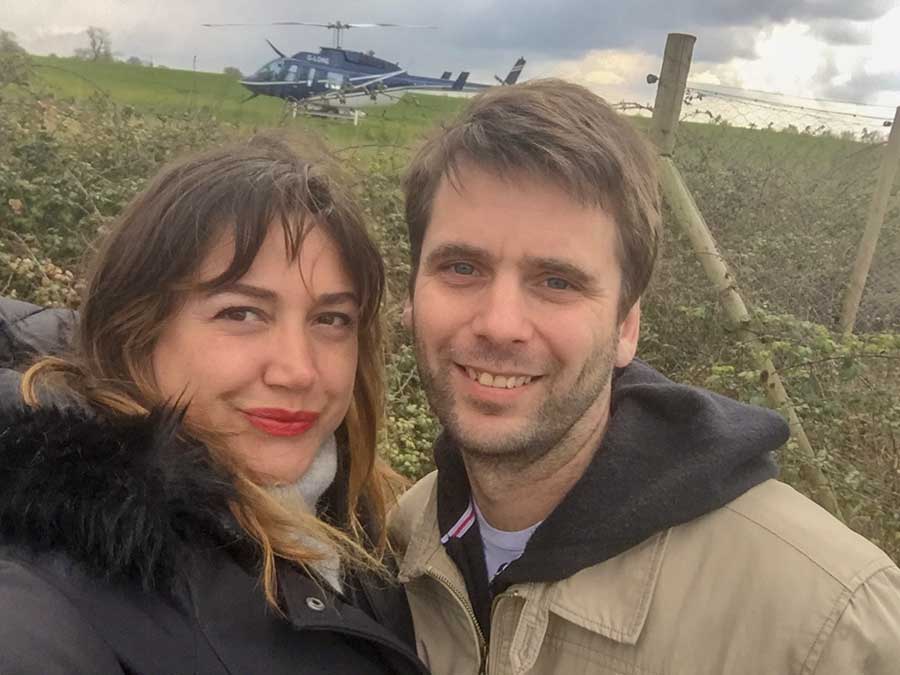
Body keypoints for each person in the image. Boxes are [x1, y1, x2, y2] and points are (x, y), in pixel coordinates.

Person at [390, 79, 900, 674]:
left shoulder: (831, 624)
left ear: (625, 327)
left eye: (557, 281)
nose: (500, 325)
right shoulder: (408, 540)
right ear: (411, 296)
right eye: (461, 267)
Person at [0, 137, 429, 675]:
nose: (297, 370)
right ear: (137, 331)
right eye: (242, 313)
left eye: (330, 319)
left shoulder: (366, 524)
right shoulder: (49, 587)